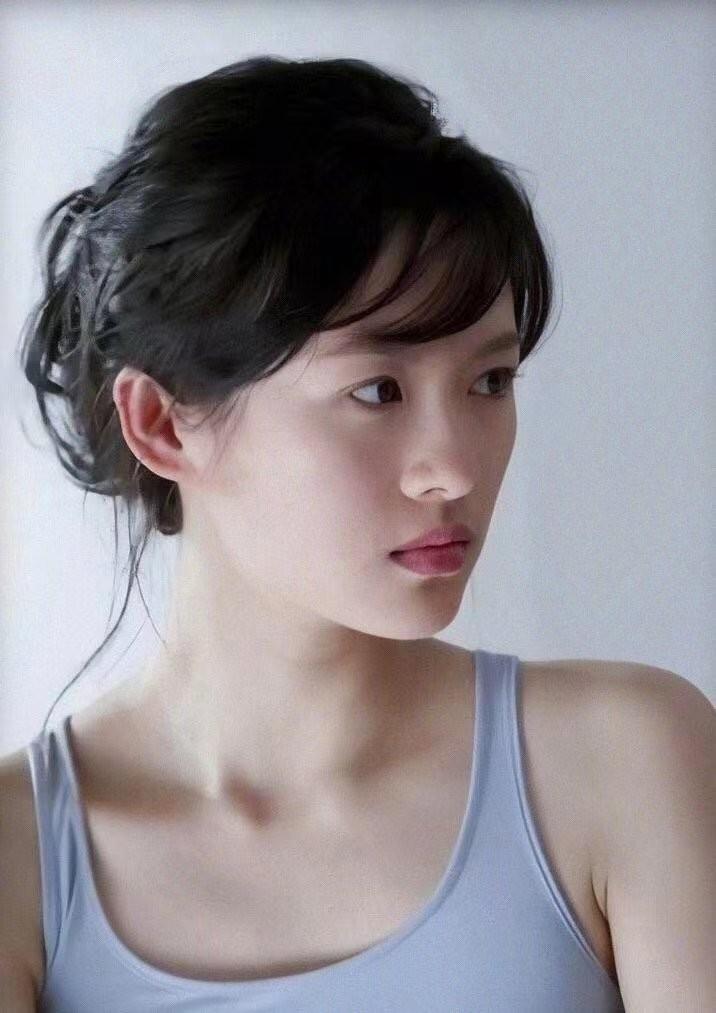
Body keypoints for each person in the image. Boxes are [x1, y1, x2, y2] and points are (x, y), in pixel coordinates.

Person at [7, 54, 710, 1012]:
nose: (454, 468)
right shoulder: (22, 863)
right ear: (164, 424)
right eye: (378, 391)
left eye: (490, 381)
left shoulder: (625, 763)